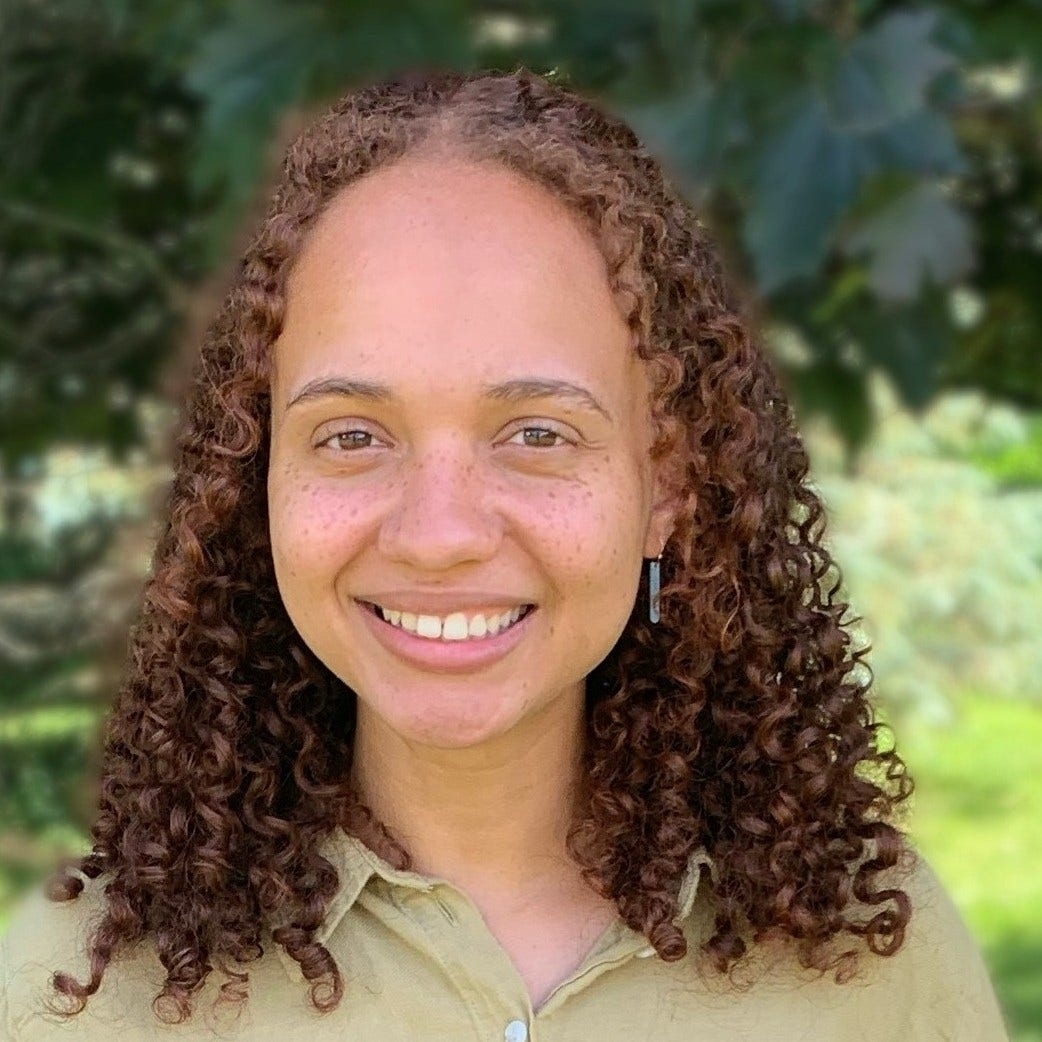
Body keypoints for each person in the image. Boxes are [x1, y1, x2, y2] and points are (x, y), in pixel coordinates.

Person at [0, 67, 1010, 1041]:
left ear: (665, 486)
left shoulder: (869, 958)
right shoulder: (74, 990)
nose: (440, 534)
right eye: (351, 434)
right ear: (254, 485)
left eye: (537, 433)